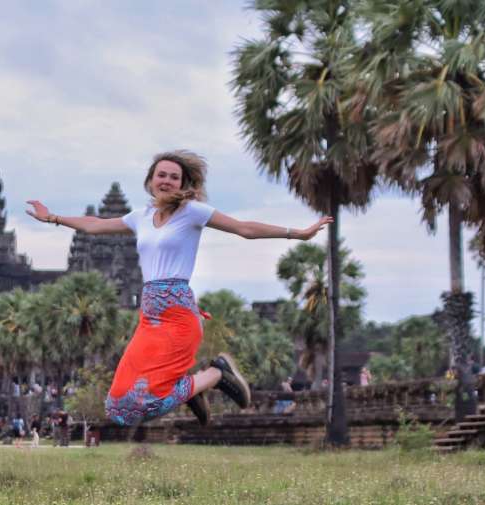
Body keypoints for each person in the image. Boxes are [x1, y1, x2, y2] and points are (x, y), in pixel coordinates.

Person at [26, 150, 330, 427]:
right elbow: (94, 224)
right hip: (149, 318)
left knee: (137, 408)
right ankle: (189, 389)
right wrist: (52, 217)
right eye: (162, 175)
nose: (167, 181)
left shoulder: (192, 212)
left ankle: (215, 374)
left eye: (174, 177)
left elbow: (244, 229)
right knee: (118, 405)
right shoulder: (140, 218)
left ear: (184, 183)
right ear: (150, 181)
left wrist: (298, 234)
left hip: (178, 316)